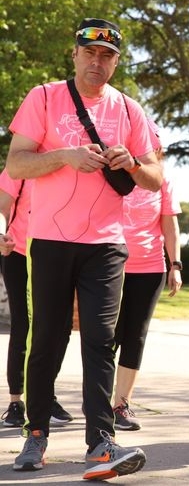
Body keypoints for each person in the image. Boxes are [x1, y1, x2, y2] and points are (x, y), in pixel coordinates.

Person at [7, 17, 160, 480]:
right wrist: (64, 157)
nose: (97, 62)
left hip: (106, 244)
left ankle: (101, 442)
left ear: (116, 62)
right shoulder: (44, 97)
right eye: (89, 53)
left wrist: (131, 164)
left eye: (106, 55)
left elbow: (155, 178)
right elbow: (16, 163)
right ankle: (36, 434)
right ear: (74, 54)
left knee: (100, 339)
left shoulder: (129, 110)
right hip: (50, 241)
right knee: (47, 337)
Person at [113, 121, 182, 431]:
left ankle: (121, 404)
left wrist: (175, 265)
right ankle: (97, 398)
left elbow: (169, 225)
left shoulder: (163, 180)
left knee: (135, 336)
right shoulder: (114, 172)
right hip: (109, 266)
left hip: (150, 268)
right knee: (106, 336)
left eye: (153, 144)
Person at [0, 171, 74, 429]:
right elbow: (2, 207)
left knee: (61, 328)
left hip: (58, 254)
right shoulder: (21, 164)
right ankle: (16, 403)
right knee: (24, 325)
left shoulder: (70, 163)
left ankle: (45, 394)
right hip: (19, 252)